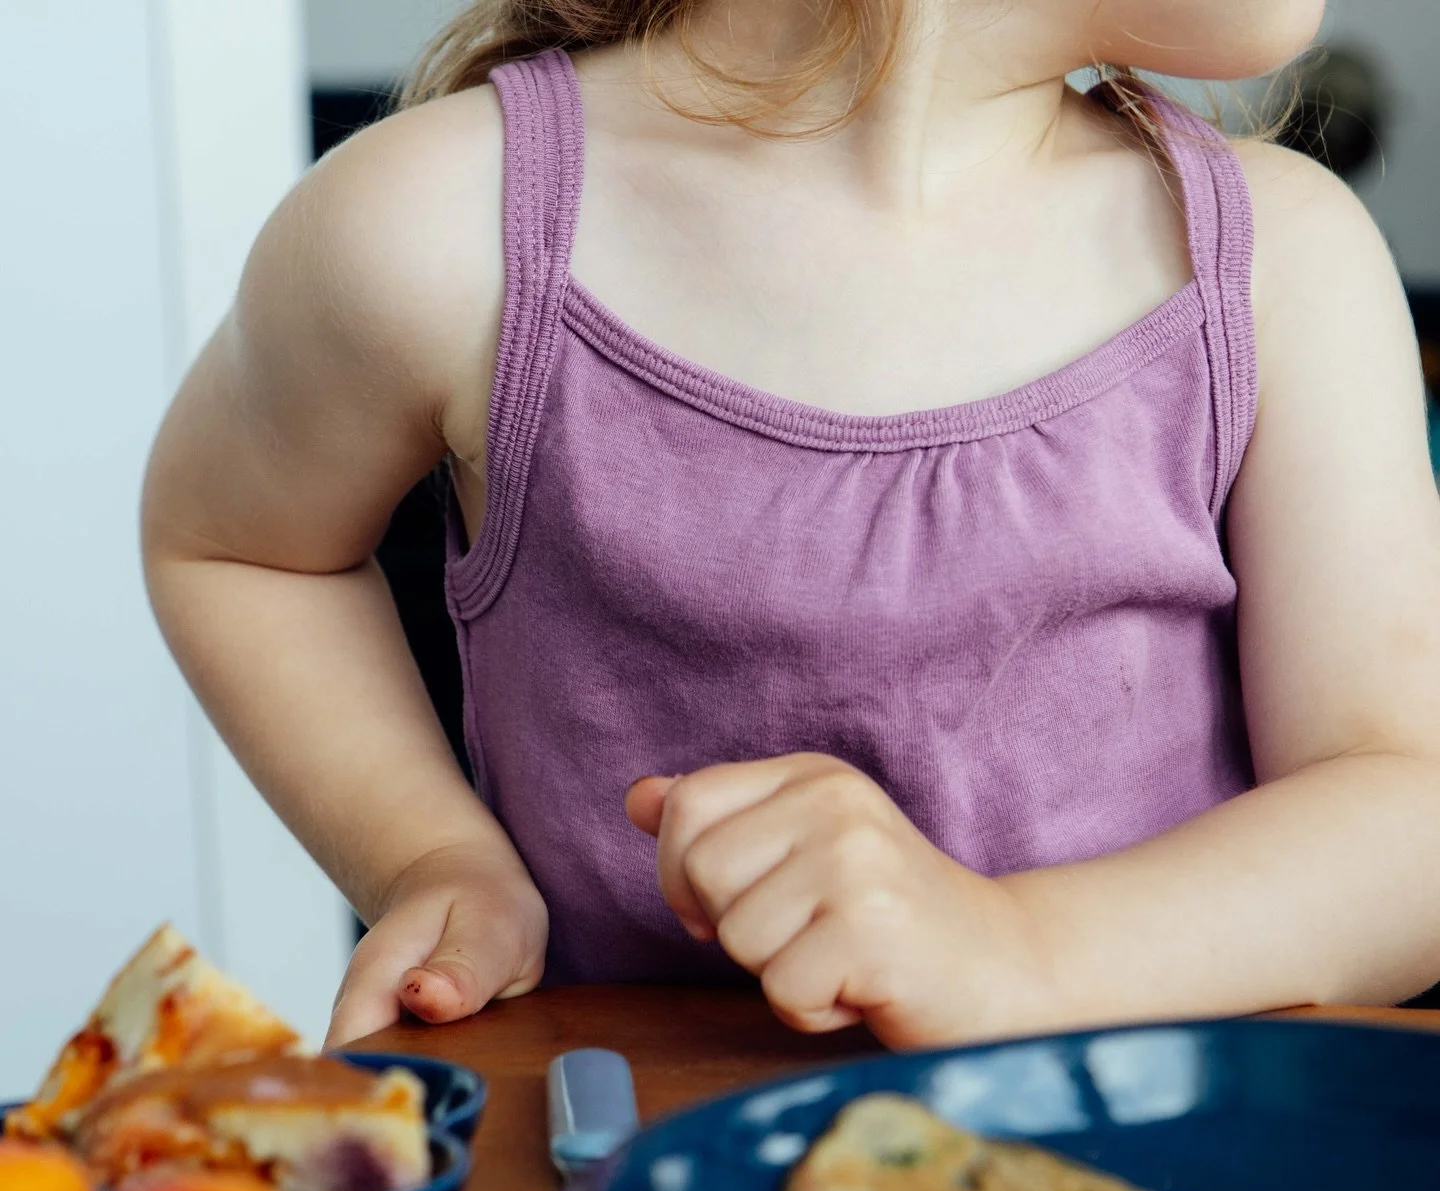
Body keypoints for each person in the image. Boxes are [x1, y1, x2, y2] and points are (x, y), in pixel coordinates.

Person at [141, 0, 1440, 1052]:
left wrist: (1016, 951)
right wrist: (429, 855)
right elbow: (240, 544)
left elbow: (1408, 819)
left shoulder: (1284, 266)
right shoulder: (440, 227)